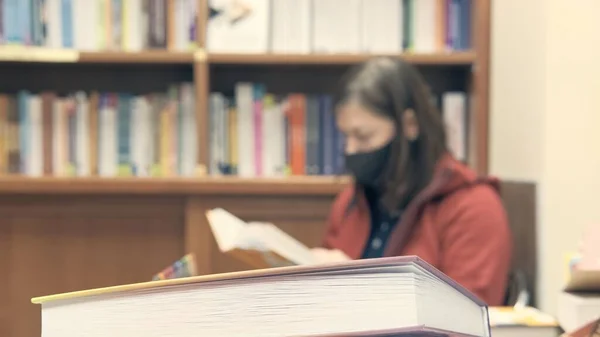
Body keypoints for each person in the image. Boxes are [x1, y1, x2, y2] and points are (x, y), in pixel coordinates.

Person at [311, 57, 512, 306]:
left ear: (410, 125)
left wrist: (357, 288)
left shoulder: (474, 207)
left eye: (363, 137)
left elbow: (468, 320)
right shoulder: (350, 202)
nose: (351, 150)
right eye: (346, 137)